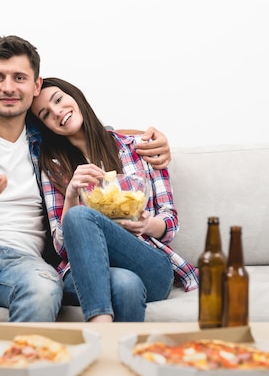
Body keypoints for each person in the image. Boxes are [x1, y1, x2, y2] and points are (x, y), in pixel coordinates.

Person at [0, 35, 173, 322]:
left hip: (28, 264)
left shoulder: (49, 142)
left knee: (44, 289)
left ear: (35, 85)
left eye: (19, 77)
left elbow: (89, 132)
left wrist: (150, 139)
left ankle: (26, 363)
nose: (8, 87)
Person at [29, 77, 199, 322]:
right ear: (47, 126)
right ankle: (109, 341)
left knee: (82, 217)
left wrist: (146, 224)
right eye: (46, 114)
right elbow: (63, 247)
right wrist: (71, 195)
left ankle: (98, 333)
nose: (57, 112)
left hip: (148, 262)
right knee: (125, 285)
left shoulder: (139, 148)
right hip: (85, 270)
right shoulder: (52, 169)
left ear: (75, 96)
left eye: (58, 99)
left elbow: (170, 221)